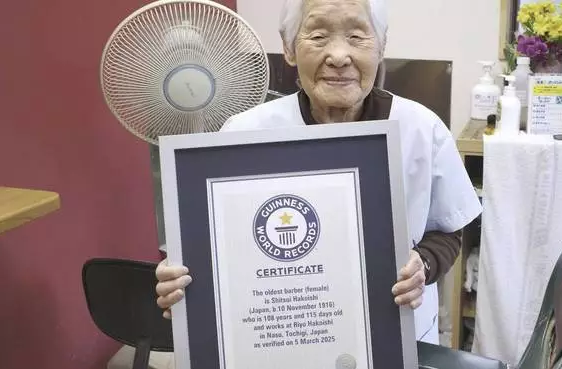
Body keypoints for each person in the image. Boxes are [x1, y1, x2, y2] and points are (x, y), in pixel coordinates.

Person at [154, 0, 482, 344]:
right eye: (319, 35)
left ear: (381, 47)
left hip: (397, 338)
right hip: (280, 337)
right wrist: (181, 280)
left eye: (357, 36)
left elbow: (448, 230)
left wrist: (423, 264)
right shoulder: (244, 134)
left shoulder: (420, 128)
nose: (339, 56)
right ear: (288, 48)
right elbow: (214, 247)